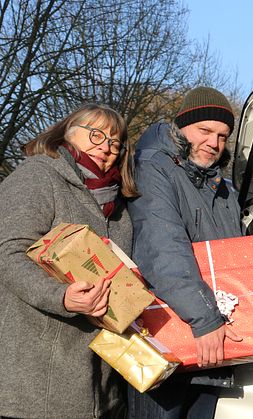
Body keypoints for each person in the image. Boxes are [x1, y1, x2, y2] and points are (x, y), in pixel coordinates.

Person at [0, 104, 136, 418]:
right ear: (66, 133)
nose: (106, 147)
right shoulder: (37, 176)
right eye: (96, 135)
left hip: (102, 385)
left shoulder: (117, 204)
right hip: (38, 383)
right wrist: (61, 297)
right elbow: (6, 254)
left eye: (116, 143)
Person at [126, 86, 243, 418]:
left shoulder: (222, 187)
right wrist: (205, 319)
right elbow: (162, 249)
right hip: (166, 336)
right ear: (181, 127)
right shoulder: (153, 166)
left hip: (211, 340)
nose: (214, 143)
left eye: (222, 135)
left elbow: (235, 259)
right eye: (204, 130)